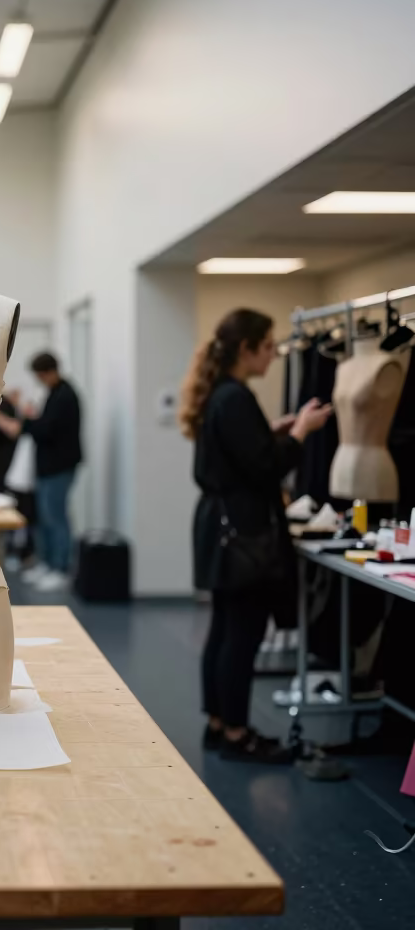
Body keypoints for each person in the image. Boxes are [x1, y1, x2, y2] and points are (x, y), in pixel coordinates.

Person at [180, 308, 332, 764]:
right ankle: (236, 732)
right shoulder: (235, 397)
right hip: (242, 530)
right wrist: (301, 433)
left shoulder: (222, 396)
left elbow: (242, 453)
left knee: (226, 630)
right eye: (268, 346)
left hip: (222, 526)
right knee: (241, 634)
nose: (273, 355)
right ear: (246, 349)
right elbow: (265, 468)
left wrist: (273, 432)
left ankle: (218, 724)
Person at [0, 353, 82, 591]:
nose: (39, 380)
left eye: (40, 376)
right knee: (45, 517)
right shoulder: (54, 393)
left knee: (56, 517)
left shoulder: (65, 396)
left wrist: (25, 419)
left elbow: (46, 429)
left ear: (48, 372)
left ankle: (61, 568)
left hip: (58, 468)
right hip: (47, 468)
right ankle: (47, 563)